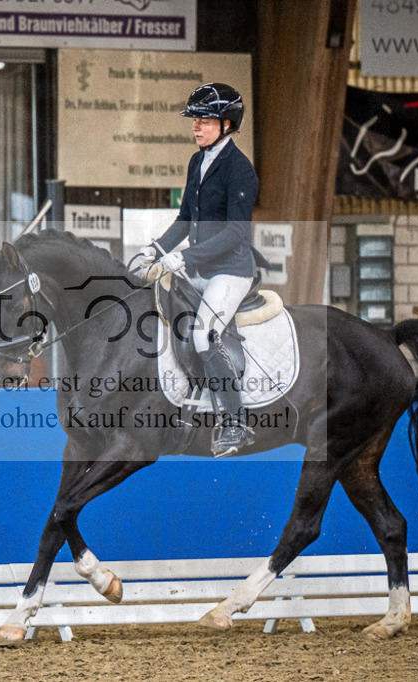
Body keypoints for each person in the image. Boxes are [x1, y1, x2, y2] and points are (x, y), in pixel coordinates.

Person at [137, 82, 267, 457]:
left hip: (229, 270)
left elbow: (235, 235)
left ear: (227, 124)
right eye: (194, 120)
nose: (196, 126)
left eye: (205, 120)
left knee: (203, 335)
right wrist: (155, 248)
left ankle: (234, 422)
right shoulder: (198, 161)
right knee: (160, 312)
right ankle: (186, 406)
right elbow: (184, 219)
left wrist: (184, 258)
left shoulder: (240, 170)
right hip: (199, 267)